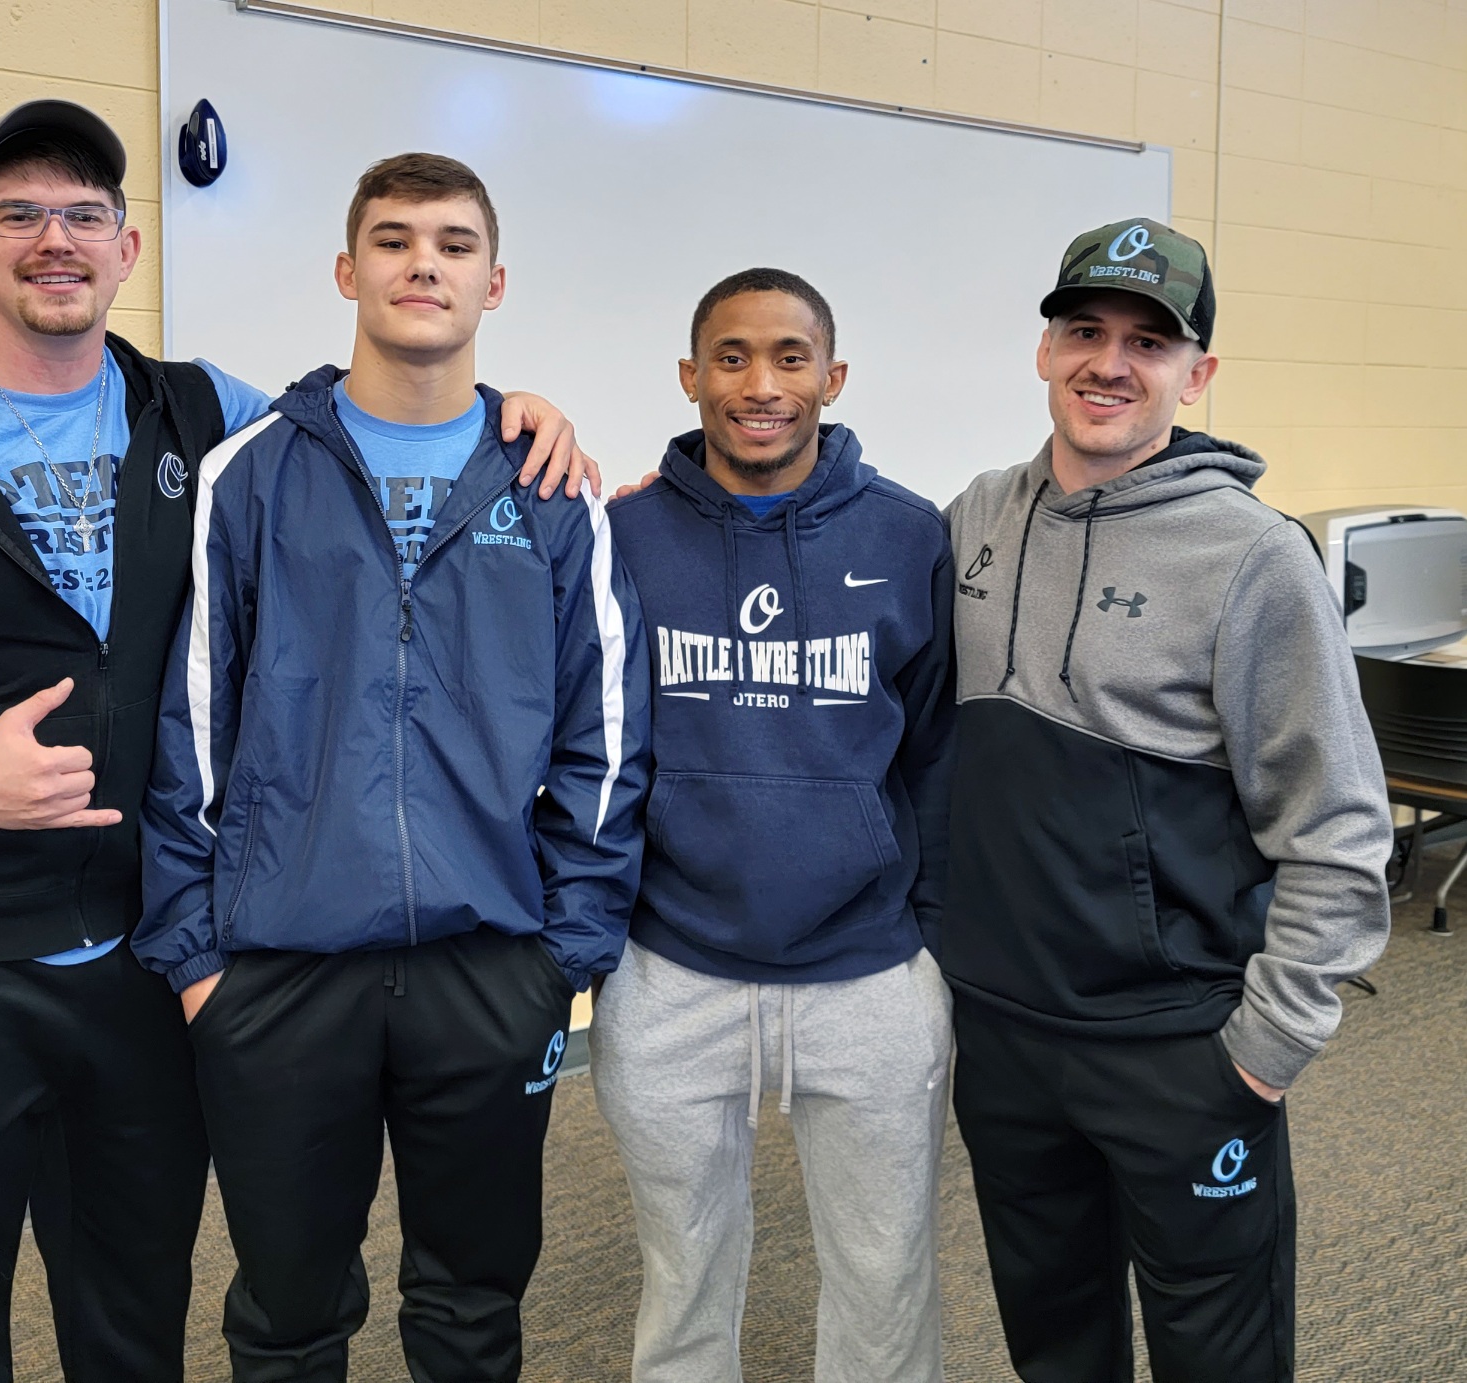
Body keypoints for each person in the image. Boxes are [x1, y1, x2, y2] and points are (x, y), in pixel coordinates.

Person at [0, 102, 596, 1383]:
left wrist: (519, 416)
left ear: (127, 249)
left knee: (135, 1317)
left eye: (84, 215)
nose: (53, 240)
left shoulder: (207, 421)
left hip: (139, 969)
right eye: (16, 213)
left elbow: (379, 416)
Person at [134, 151, 650, 1383]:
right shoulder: (252, 473)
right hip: (279, 974)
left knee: (473, 1307)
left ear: (494, 282)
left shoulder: (554, 491)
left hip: (490, 969)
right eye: (396, 239)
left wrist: (563, 957)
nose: (426, 264)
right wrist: (199, 964)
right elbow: (191, 726)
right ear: (346, 269)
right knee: (287, 1312)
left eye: (455, 244)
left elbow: (606, 737)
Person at [940, 219, 1392, 1382]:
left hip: (1178, 1049)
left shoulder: (1254, 558)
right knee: (1054, 1344)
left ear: (1198, 374)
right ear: (1045, 349)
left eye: (1149, 343)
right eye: (1085, 331)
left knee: (1217, 1356)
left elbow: (1339, 826)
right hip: (1004, 1037)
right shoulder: (976, 516)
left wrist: (1267, 1049)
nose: (1109, 363)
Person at [592, 269, 956, 1383]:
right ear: (690, 375)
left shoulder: (908, 536)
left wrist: (933, 935)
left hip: (866, 970)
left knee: (885, 1275)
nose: (761, 384)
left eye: (791, 358)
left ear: (832, 378)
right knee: (683, 1270)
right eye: (733, 356)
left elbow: (937, 752)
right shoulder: (623, 536)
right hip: (672, 966)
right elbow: (592, 744)